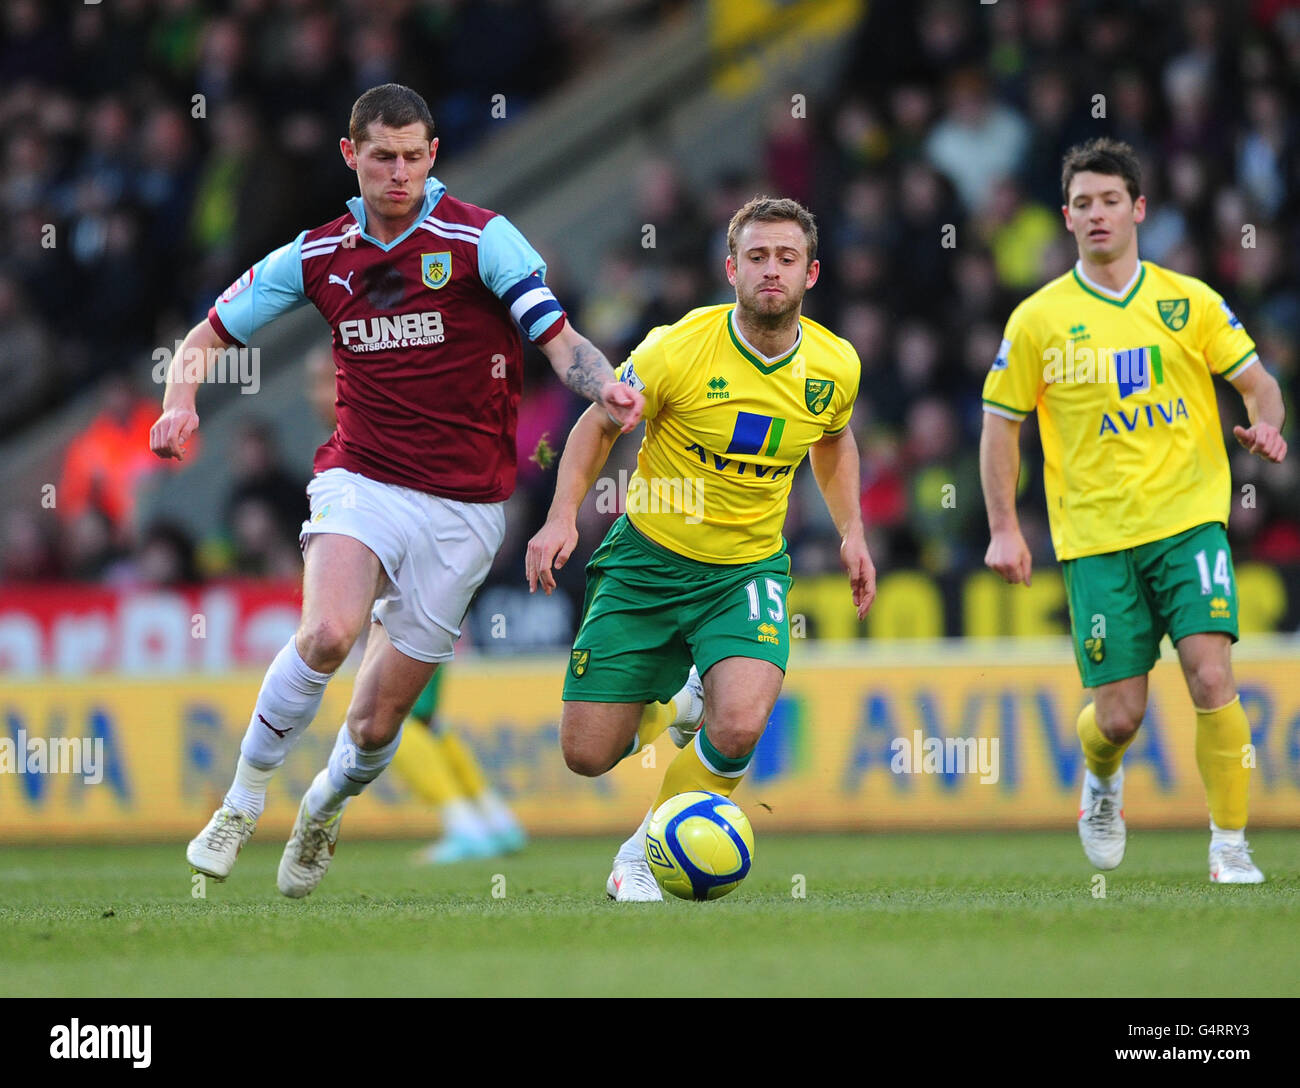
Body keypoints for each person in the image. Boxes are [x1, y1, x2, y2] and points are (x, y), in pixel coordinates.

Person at [151, 83, 642, 898]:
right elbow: (208, 332)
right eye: (384, 157)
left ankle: (323, 806)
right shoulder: (318, 254)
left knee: (379, 726)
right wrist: (179, 403)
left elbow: (558, 339)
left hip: (468, 509)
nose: (401, 173)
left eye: (415, 156)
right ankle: (239, 802)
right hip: (362, 479)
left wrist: (603, 388)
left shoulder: (482, 239)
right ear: (353, 156)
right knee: (327, 635)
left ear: (433, 155)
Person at [527, 196, 875, 901]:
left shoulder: (836, 366)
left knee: (741, 724)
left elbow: (834, 441)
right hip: (648, 563)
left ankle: (640, 851)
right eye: (756, 258)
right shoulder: (675, 349)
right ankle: (677, 703)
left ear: (812, 273)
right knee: (586, 753)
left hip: (746, 570)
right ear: (731, 269)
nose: (771, 271)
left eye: (786, 258)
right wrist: (562, 514)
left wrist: (852, 532)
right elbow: (600, 424)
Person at [980, 137, 1287, 884]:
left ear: (1138, 209)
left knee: (1211, 674)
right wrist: (1003, 528)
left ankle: (1229, 844)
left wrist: (1268, 424)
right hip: (1094, 538)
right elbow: (1000, 425)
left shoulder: (1189, 301)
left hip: (1189, 521)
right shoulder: (1037, 321)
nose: (1096, 215)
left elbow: (1258, 383)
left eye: (1110, 200)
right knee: (1118, 716)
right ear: (1066, 218)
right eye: (1082, 204)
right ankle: (1102, 779)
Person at [306, 343, 527, 863]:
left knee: (386, 715)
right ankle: (490, 818)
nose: (318, 394)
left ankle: (464, 823)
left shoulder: (380, 435)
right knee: (421, 717)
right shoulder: (363, 437)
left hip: (424, 583)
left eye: (325, 380)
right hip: (437, 579)